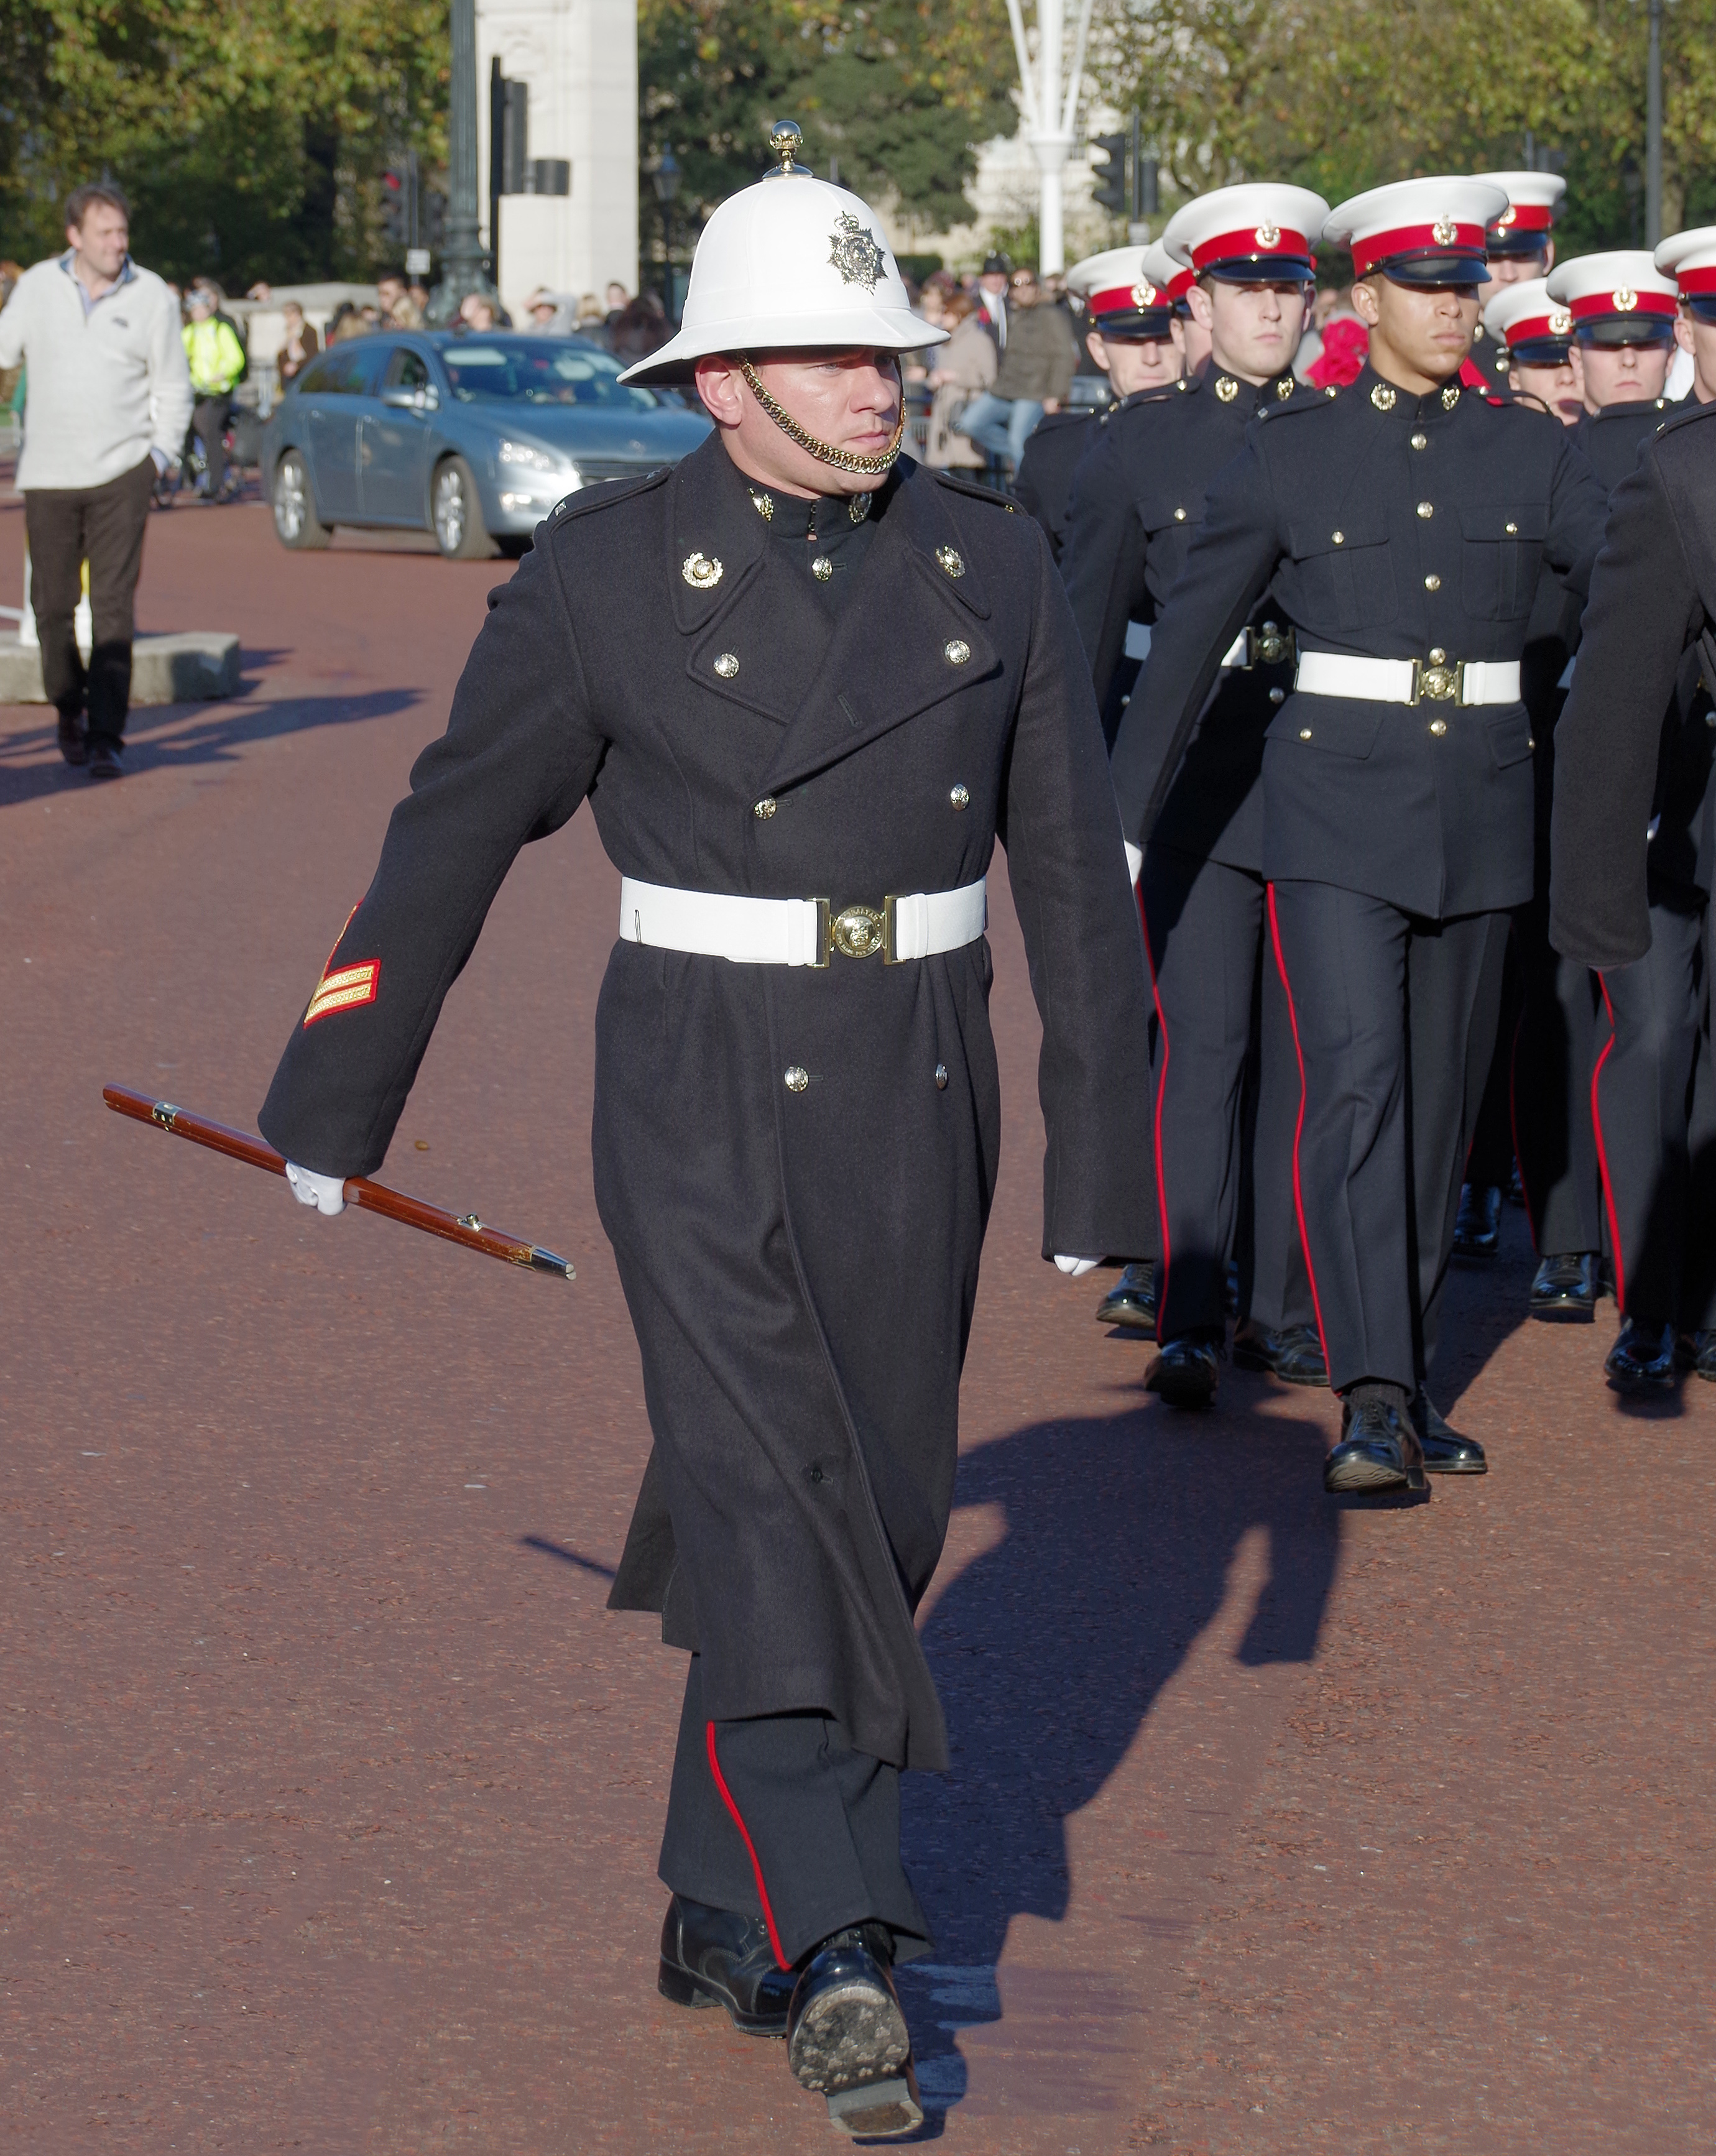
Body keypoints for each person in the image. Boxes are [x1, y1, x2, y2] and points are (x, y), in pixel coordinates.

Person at [251, 120, 1152, 2139]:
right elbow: (455, 827)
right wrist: (341, 1081)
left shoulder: (992, 557)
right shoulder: (597, 576)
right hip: (698, 1073)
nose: (885, 381)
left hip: (923, 1059)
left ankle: (711, 1895)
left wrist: (1112, 1163)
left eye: (893, 351)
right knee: (772, 1485)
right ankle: (840, 1932)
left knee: (887, 1501)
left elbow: (1076, 882)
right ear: (724, 381)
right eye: (838, 357)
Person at [1109, 175, 1610, 1490]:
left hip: (1486, 811)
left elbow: (1626, 597)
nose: (1457, 309)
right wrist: (1116, 835)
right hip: (1329, 811)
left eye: (1470, 286)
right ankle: (1372, 1395)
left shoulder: (1531, 450)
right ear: (1366, 299)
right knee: (1358, 1092)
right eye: (1430, 288)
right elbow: (1186, 653)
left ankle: (1410, 1372)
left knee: (1438, 1122)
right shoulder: (1293, 452)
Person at [1064, 185, 1332, 1406]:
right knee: (1205, 1045)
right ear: (1202, 305)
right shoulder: (1145, 441)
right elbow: (1083, 636)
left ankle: (1285, 1308)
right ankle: (1187, 1303)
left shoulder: (1348, 428)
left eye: (1289, 288)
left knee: (1308, 1056)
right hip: (1196, 780)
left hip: (1331, 777)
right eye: (1246, 289)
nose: (1271, 308)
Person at [1549, 398, 1716, 1381]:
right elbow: (1615, 692)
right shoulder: (1688, 470)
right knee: (1656, 1040)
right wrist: (1597, 891)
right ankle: (1653, 1299)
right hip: (1689, 800)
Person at [1466, 274, 1607, 1319]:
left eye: (1578, 360)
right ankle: (1479, 1175)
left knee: (1571, 985)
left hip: (1591, 751)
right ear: (1516, 368)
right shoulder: (1491, 458)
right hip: (1492, 748)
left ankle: (1569, 1226)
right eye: (1547, 362)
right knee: (1495, 985)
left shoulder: (1625, 469)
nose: (1566, 380)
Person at [0, 180, 193, 778]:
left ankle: (107, 734)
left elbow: (173, 385)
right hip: (50, 474)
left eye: (123, 231)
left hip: (121, 473)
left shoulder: (152, 294)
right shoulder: (36, 287)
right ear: (74, 236)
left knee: (112, 605)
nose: (118, 242)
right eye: (105, 232)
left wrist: (156, 460)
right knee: (52, 604)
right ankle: (68, 705)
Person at [1015, 242, 1186, 564]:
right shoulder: (1055, 454)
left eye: (1163, 337)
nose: (1152, 357)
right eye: (1131, 340)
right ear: (1098, 349)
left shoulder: (1226, 439)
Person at [1548, 249, 1677, 446]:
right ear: (1577, 361)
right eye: (1609, 345)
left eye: (1645, 344)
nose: (1629, 360)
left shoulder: (1703, 445)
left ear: (1671, 357)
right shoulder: (1553, 458)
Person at [953, 268, 1077, 473]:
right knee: (970, 423)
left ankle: (1023, 496)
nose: (1024, 289)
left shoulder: (1051, 314)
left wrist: (1056, 394)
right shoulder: (1014, 314)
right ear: (1012, 291)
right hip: (1005, 388)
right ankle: (1031, 457)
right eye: (1017, 285)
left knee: (1018, 440)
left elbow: (1065, 356)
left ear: (1037, 287)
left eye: (1028, 283)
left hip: (1034, 391)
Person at [1467, 171, 1564, 388]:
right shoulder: (1452, 356)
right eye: (1493, 258)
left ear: (1547, 256)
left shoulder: (1576, 350)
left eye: (1522, 257)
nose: (1509, 274)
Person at [182, 282, 247, 502]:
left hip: (219, 392)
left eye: (202, 308)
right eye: (195, 310)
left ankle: (216, 483)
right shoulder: (189, 333)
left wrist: (222, 374)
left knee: (211, 431)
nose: (198, 313)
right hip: (197, 392)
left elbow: (236, 359)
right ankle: (192, 474)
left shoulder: (221, 329)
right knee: (187, 430)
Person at [921, 289, 996, 469]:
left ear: (959, 314)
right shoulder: (945, 341)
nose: (942, 317)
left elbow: (990, 378)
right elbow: (937, 372)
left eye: (946, 312)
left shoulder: (980, 340)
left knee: (969, 473)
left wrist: (956, 377)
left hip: (967, 409)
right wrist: (934, 379)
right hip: (943, 414)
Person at [276, 300, 319, 387]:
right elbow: (281, 353)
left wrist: (296, 365)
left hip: (303, 374)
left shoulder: (309, 331)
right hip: (288, 377)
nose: (287, 319)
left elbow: (313, 354)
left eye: (289, 315)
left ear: (297, 314)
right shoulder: (287, 332)